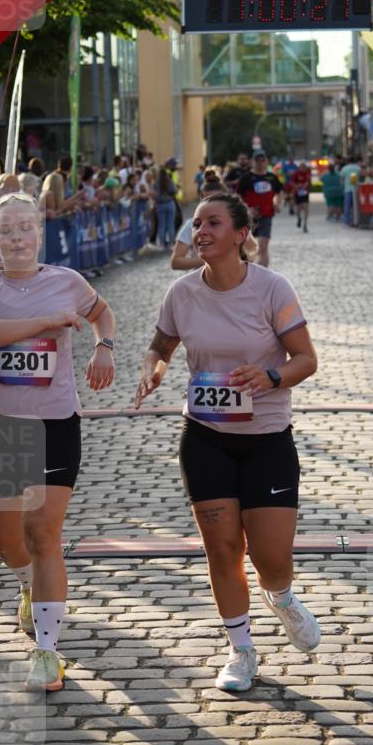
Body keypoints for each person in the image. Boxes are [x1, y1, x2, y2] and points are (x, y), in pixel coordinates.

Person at [134, 192, 321, 691]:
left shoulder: (271, 289)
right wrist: (154, 369)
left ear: (240, 235)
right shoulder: (181, 293)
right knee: (221, 548)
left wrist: (270, 378)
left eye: (213, 223)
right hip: (206, 436)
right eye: (196, 223)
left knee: (271, 558)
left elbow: (306, 358)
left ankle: (280, 597)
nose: (201, 231)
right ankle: (241, 652)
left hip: (266, 439)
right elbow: (160, 344)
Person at [0, 192, 116, 689]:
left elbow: (102, 311)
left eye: (27, 227)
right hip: (3, 424)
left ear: (39, 232)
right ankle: (25, 583)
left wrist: (104, 346)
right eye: (9, 230)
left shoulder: (67, 281)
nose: (19, 237)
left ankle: (47, 652)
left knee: (44, 534)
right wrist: (44, 323)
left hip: (55, 421)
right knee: (10, 541)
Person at [236, 151, 283, 267]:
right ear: (253, 162)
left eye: (263, 160)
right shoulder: (246, 178)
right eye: (257, 160)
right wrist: (247, 208)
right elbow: (237, 196)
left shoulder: (272, 177)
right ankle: (247, 270)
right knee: (247, 247)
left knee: (263, 245)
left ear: (266, 162)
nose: (260, 163)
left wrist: (278, 204)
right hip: (249, 218)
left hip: (266, 215)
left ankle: (263, 274)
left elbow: (280, 191)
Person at [152, 166, 178, 248]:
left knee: (161, 225)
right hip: (170, 203)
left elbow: (154, 195)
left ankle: (162, 244)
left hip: (160, 205)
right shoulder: (169, 181)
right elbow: (175, 191)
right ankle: (171, 243)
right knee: (170, 224)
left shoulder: (156, 183)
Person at [291, 161, 311, 233]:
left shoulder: (307, 173)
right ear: (299, 167)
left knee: (306, 208)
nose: (303, 168)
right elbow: (292, 182)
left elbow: (309, 181)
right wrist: (297, 186)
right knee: (298, 208)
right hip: (298, 193)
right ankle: (299, 218)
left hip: (305, 193)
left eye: (304, 167)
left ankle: (305, 225)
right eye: (301, 167)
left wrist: (306, 185)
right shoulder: (296, 173)